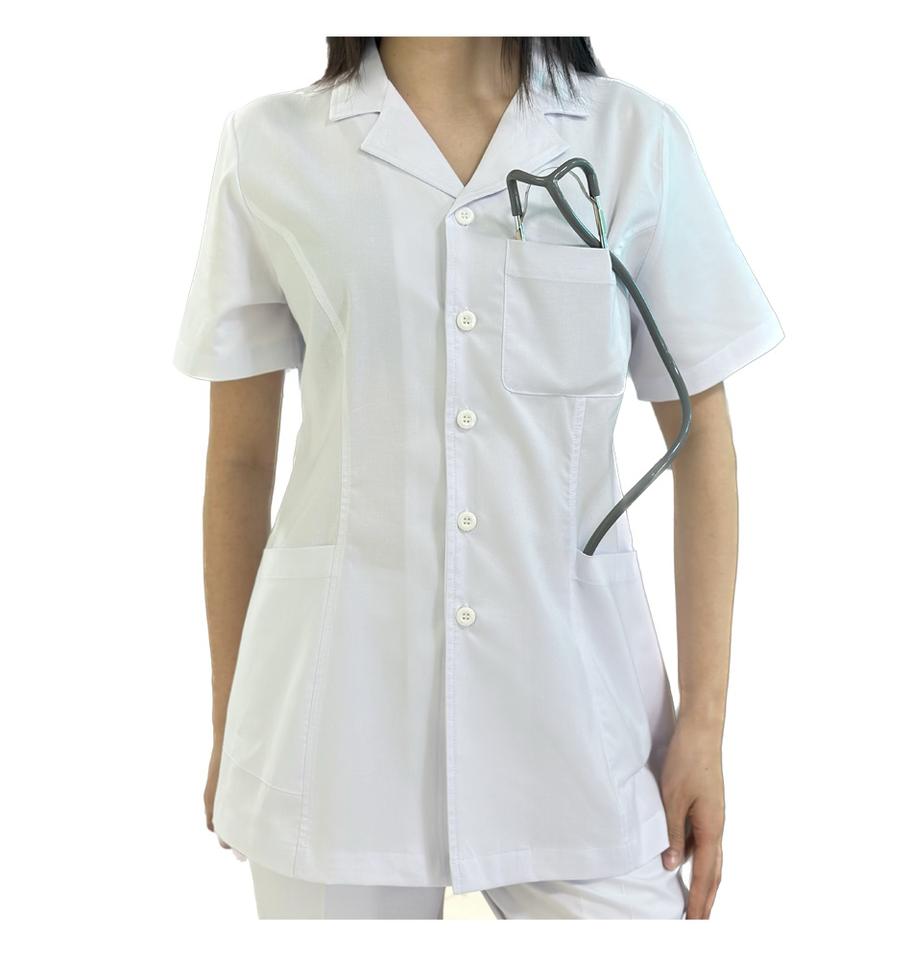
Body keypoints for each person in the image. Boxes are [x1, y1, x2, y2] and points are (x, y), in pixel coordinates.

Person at [172, 36, 784, 920]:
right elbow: (238, 461)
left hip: (582, 715)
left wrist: (705, 723)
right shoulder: (271, 146)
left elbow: (701, 441)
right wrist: (236, 724)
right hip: (332, 721)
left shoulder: (632, 140)